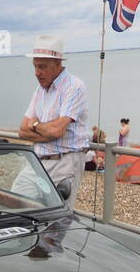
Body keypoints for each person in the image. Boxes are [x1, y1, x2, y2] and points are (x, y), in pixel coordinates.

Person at [16, 34, 90, 208]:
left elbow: (56, 131)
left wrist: (35, 125)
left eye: (42, 67)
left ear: (58, 64)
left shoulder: (74, 87)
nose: (37, 73)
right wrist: (47, 132)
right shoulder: (40, 90)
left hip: (64, 163)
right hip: (37, 161)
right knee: (16, 205)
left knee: (57, 217)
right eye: (35, 66)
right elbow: (21, 131)